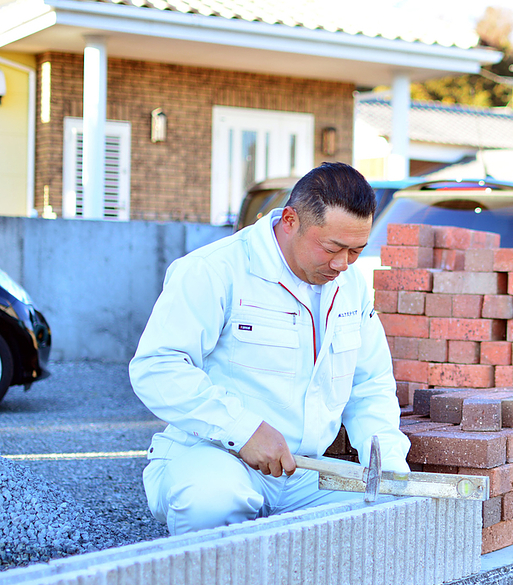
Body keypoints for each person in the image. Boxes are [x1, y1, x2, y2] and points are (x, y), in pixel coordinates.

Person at [130, 162, 410, 535]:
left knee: (390, 511)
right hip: (214, 458)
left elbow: (370, 384)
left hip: (305, 472)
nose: (342, 264)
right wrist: (243, 430)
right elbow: (157, 367)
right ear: (290, 220)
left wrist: (389, 466)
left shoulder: (351, 287)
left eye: (356, 251)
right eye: (332, 248)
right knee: (211, 500)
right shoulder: (215, 270)